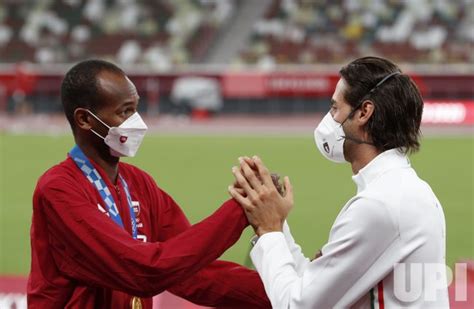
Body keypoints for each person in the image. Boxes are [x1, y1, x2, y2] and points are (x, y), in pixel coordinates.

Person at [28, 59, 271, 308]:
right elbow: (141, 272)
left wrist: (293, 292)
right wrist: (241, 209)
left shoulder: (139, 184)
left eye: (136, 109)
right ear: (84, 120)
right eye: (125, 111)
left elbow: (194, 274)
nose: (137, 122)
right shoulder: (59, 189)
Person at [229, 57, 449, 308]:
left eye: (335, 108)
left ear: (364, 112)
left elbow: (296, 305)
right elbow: (312, 288)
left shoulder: (377, 205)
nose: (329, 120)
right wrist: (276, 222)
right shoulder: (407, 190)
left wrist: (269, 230)